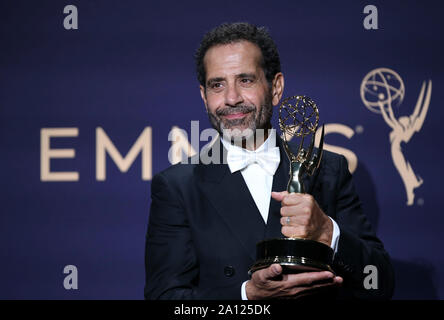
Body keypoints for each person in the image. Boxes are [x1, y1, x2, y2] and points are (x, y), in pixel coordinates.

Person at [144, 22, 394, 300]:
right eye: (217, 85)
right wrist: (247, 296)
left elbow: (379, 284)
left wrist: (327, 232)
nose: (231, 98)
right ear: (204, 97)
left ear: (276, 88)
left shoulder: (328, 170)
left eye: (245, 80)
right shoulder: (178, 187)